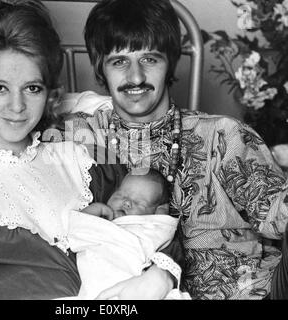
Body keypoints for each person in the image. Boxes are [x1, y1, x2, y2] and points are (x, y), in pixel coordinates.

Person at [0, 0, 182, 300]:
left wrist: (161, 277)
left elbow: (156, 228)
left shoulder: (86, 163)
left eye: (32, 88)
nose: (17, 106)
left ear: (50, 94)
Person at [61, 0, 287, 300]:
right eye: (119, 62)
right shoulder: (80, 136)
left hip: (248, 289)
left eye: (150, 60)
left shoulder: (223, 135)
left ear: (171, 61)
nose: (136, 77)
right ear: (100, 67)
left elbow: (280, 213)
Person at [60, 168, 191, 300]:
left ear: (158, 212)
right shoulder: (100, 224)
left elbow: (169, 244)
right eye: (120, 196)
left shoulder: (150, 228)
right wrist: (93, 211)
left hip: (137, 288)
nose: (127, 202)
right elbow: (76, 231)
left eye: (139, 202)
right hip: (96, 291)